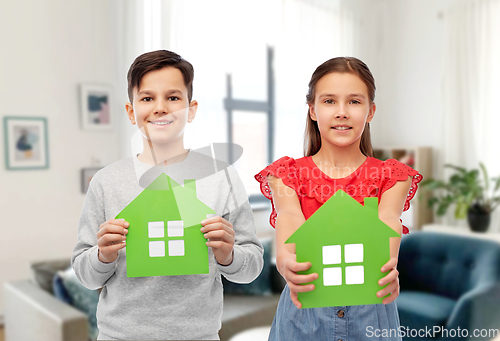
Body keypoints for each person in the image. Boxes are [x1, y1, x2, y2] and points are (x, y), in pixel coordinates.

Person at [72, 50, 263, 340]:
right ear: (130, 110)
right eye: (147, 98)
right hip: (119, 335)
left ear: (191, 109)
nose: (160, 108)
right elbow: (86, 275)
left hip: (200, 335)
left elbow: (250, 269)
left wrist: (228, 254)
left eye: (173, 98)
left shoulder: (222, 177)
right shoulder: (106, 182)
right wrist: (103, 255)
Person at [255, 57, 422, 341]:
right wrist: (285, 261)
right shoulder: (286, 174)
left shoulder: (392, 175)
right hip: (304, 310)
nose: (342, 112)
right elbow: (290, 217)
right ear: (312, 110)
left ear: (370, 111)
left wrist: (388, 265)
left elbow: (388, 221)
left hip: (371, 309)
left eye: (354, 102)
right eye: (330, 101)